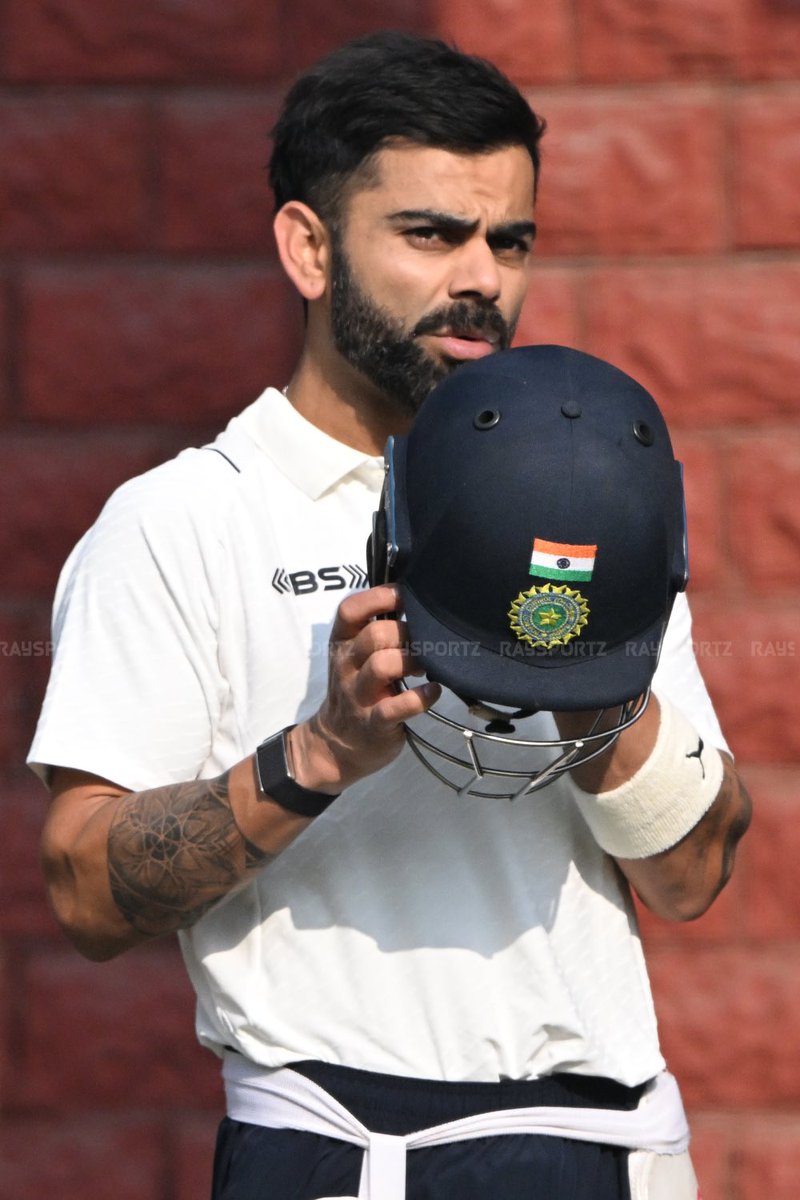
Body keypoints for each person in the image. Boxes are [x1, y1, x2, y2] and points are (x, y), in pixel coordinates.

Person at [31, 30, 751, 1200]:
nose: (481, 279)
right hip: (331, 1145)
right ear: (308, 247)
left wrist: (592, 690)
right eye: (429, 234)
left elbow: (690, 876)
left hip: (610, 1149)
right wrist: (319, 752)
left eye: (507, 241)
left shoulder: (585, 493)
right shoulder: (181, 521)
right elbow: (85, 892)